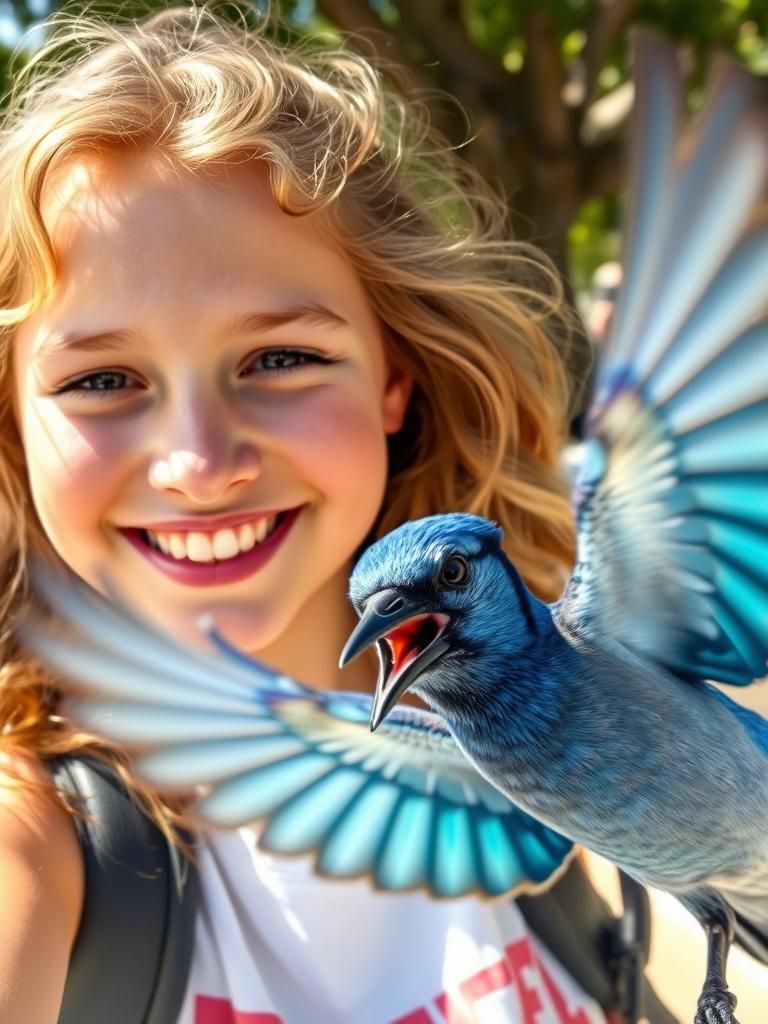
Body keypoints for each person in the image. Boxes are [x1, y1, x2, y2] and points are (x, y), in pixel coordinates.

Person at [0, 7, 632, 1022]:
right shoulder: (37, 840)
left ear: (398, 375)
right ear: (10, 424)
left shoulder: (546, 730)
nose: (200, 464)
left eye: (281, 359)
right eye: (104, 378)